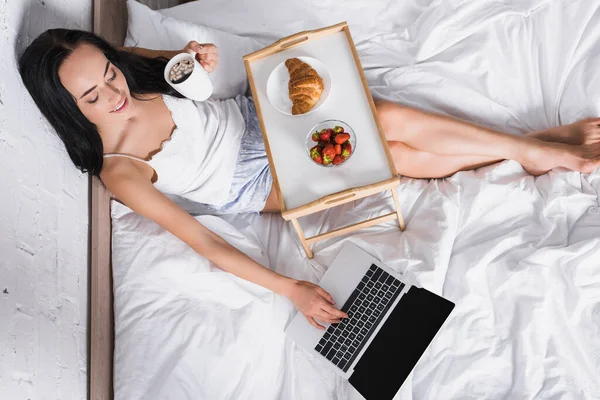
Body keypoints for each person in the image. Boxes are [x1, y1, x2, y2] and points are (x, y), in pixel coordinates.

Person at [18, 29, 600, 329]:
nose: (115, 93)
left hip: (252, 115)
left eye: (110, 74)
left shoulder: (118, 66)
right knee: (389, 152)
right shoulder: (120, 171)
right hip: (254, 181)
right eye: (92, 95)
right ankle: (546, 150)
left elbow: (176, 63)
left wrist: (196, 56)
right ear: (69, 109)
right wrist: (289, 289)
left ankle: (539, 148)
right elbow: (205, 242)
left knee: (389, 120)